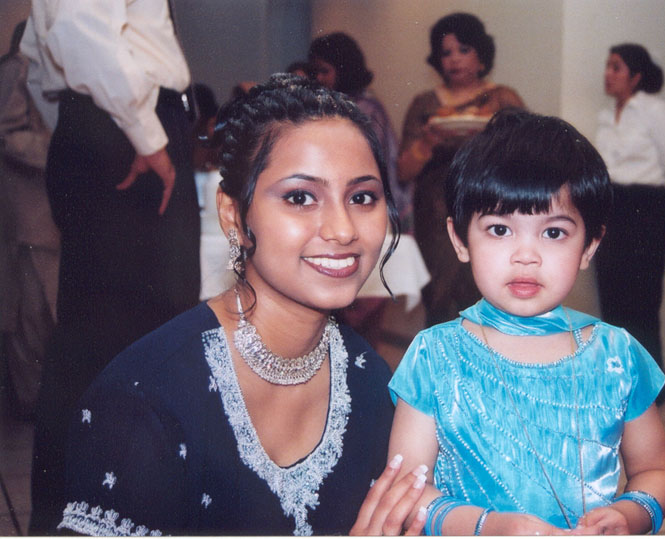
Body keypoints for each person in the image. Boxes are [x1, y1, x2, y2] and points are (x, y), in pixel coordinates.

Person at [55, 74, 427, 535]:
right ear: (233, 215)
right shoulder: (145, 398)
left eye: (362, 197)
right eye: (300, 197)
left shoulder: (367, 379)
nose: (343, 229)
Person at [387, 109, 665, 535]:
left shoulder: (617, 355)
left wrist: (628, 515)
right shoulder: (434, 356)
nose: (526, 256)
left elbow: (655, 471)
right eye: (499, 230)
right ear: (460, 240)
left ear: (589, 246)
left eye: (553, 233)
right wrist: (490, 527)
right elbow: (407, 489)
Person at [20, 0, 201, 532]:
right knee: (126, 340)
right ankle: (91, 517)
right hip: (129, 128)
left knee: (113, 338)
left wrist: (89, 127)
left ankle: (106, 512)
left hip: (113, 120)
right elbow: (79, 30)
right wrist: (140, 133)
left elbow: (40, 59)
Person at [397, 12, 524, 327]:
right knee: (439, 301)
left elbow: (527, 156)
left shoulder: (503, 100)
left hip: (491, 208)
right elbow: (403, 171)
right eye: (446, 53)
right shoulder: (425, 104)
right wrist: (427, 141)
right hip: (436, 216)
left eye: (463, 50)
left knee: (490, 295)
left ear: (481, 55)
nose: (454, 59)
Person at [593, 43, 665, 382]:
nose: (608, 74)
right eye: (607, 66)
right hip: (611, 209)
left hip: (646, 211)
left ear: (635, 76)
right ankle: (618, 384)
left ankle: (649, 388)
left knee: (642, 303)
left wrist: (653, 220)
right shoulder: (606, 116)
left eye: (616, 67)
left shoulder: (654, 110)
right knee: (612, 299)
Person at [0, 20, 59, 418]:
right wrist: (64, 151)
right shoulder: (18, 68)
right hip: (29, 217)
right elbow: (8, 133)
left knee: (45, 317)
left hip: (50, 219)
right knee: (30, 317)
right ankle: (32, 409)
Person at [309, 32, 406, 232]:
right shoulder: (324, 105)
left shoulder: (367, 108)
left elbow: (368, 161)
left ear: (343, 71)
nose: (318, 78)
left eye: (325, 71)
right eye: (315, 72)